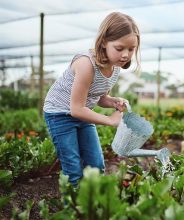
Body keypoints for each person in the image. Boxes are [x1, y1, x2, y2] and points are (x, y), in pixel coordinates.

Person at [43, 12, 140, 186]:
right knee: (73, 169)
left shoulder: (115, 67)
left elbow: (99, 98)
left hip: (82, 114)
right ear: (103, 42)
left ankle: (92, 204)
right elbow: (76, 108)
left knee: (96, 165)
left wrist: (112, 101)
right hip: (59, 115)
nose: (125, 55)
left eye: (131, 49)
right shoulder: (86, 64)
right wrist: (110, 120)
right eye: (119, 48)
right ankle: (74, 209)